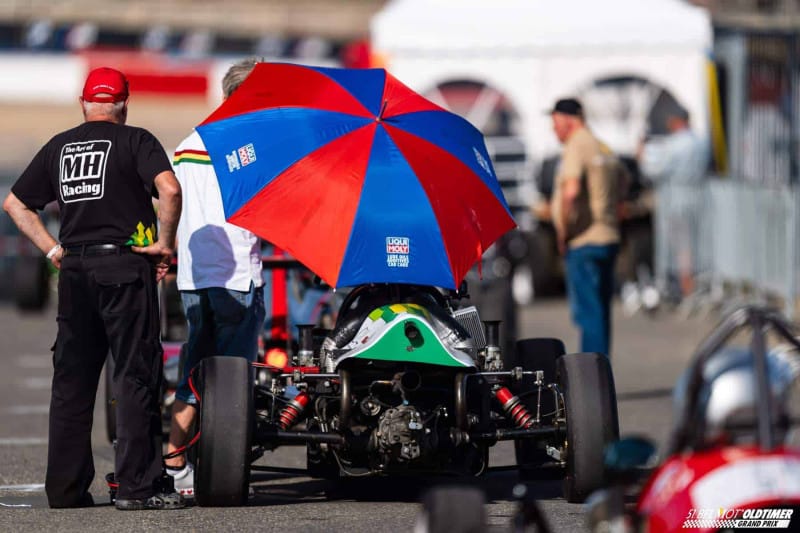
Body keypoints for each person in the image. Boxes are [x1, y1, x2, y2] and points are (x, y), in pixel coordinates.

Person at [2, 67, 184, 510]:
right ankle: (136, 488)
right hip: (125, 265)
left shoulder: (60, 145)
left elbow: (15, 203)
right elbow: (170, 189)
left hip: (76, 268)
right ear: (124, 104)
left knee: (72, 381)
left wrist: (52, 251)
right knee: (135, 375)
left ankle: (64, 490)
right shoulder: (136, 139)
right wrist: (164, 245)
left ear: (84, 104)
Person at [164, 57, 266, 496]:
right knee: (231, 382)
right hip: (237, 274)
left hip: (193, 275)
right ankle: (209, 464)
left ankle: (175, 457)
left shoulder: (187, 144)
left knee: (195, 370)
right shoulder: (249, 148)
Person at [547, 98, 623, 357]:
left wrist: (564, 230)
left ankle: (590, 379)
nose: (553, 129)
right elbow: (624, 179)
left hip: (584, 241)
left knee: (588, 316)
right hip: (608, 236)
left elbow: (571, 191)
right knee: (600, 313)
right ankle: (601, 371)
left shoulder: (576, 143)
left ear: (568, 120)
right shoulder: (600, 145)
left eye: (555, 122)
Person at [638, 106, 708, 300]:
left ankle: (686, 288)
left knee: (680, 244)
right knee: (697, 243)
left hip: (676, 199)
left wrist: (642, 155)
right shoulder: (702, 142)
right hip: (699, 197)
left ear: (677, 121)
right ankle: (694, 284)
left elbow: (654, 170)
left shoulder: (674, 144)